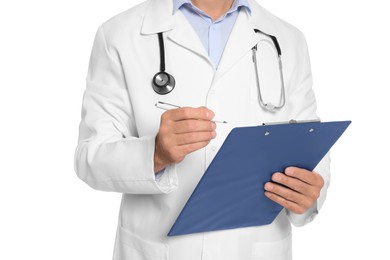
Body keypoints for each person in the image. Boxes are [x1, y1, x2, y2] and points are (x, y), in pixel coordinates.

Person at [75, 0, 330, 259]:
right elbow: (90, 157)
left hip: (256, 248)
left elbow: (310, 144)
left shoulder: (287, 39)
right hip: (158, 250)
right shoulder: (120, 34)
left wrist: (308, 192)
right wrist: (155, 154)